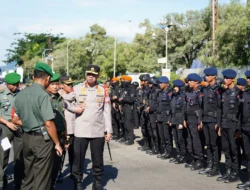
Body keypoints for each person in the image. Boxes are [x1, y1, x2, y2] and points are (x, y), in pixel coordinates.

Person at [12, 62, 63, 190]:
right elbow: (49, 123)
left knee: (28, 176)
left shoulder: (20, 94)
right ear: (48, 79)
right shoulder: (43, 95)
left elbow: (15, 119)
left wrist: (30, 123)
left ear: (33, 77)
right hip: (42, 140)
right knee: (42, 178)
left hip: (26, 138)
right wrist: (57, 143)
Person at [64, 64, 112, 190]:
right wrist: (75, 109)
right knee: (78, 159)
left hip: (98, 130)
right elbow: (65, 101)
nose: (91, 77)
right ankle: (78, 181)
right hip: (81, 129)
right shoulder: (77, 88)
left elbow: (107, 111)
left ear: (98, 76)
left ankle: (97, 182)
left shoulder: (103, 90)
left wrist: (109, 130)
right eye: (89, 74)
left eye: (94, 75)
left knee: (98, 159)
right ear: (86, 75)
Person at [217, 69, 241, 183]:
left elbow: (240, 112)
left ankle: (235, 173)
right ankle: (228, 171)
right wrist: (220, 126)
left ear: (233, 79)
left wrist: (238, 129)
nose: (225, 80)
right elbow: (221, 111)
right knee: (226, 149)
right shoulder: (224, 93)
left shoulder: (238, 93)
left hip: (233, 126)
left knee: (234, 150)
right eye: (224, 78)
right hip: (225, 125)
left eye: (227, 78)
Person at [0, 73, 24, 190]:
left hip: (18, 129)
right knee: (4, 155)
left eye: (17, 84)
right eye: (12, 85)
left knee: (19, 157)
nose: (15, 87)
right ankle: (2, 183)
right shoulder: (1, 93)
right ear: (7, 83)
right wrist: (7, 123)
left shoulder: (21, 94)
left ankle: (18, 183)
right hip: (6, 129)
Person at [46, 73, 69, 187]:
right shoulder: (45, 97)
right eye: (52, 84)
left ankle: (52, 184)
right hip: (48, 136)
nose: (55, 86)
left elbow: (63, 117)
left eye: (57, 84)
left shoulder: (60, 98)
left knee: (56, 163)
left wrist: (65, 137)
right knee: (47, 166)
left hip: (60, 134)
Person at [199, 68, 221, 177]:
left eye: (208, 75)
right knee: (208, 144)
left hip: (213, 121)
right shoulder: (205, 89)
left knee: (214, 145)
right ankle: (209, 165)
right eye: (206, 75)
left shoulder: (218, 90)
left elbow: (220, 107)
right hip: (206, 120)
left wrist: (218, 122)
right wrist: (201, 120)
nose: (206, 77)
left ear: (214, 76)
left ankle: (216, 167)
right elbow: (203, 106)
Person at [184, 73, 204, 171]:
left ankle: (199, 160)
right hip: (189, 119)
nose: (189, 83)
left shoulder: (199, 92)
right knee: (190, 140)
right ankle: (194, 158)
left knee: (196, 140)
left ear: (196, 81)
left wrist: (200, 121)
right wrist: (184, 119)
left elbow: (201, 108)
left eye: (191, 81)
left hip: (195, 119)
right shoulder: (190, 92)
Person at [60, 76, 76, 178]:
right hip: (63, 129)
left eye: (71, 84)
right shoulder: (57, 96)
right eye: (68, 84)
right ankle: (58, 172)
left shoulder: (74, 95)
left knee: (73, 153)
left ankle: (73, 171)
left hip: (74, 129)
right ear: (62, 85)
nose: (70, 86)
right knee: (61, 153)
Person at [237, 70, 250, 189]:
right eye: (247, 78)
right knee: (248, 154)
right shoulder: (245, 94)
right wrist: (239, 128)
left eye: (249, 78)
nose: (247, 80)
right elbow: (241, 113)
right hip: (245, 128)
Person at [169, 79, 187, 164]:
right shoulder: (174, 96)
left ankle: (183, 156)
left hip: (179, 119)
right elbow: (171, 109)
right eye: (174, 86)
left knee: (180, 139)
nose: (175, 88)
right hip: (174, 119)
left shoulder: (183, 97)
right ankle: (178, 154)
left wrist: (181, 122)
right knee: (176, 139)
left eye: (176, 87)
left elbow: (183, 110)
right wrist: (170, 120)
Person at [156, 76, 173, 159]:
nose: (159, 84)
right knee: (161, 135)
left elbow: (171, 106)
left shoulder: (170, 93)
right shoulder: (160, 92)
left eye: (161, 83)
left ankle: (169, 152)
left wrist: (170, 118)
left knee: (167, 136)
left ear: (166, 84)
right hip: (159, 116)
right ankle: (165, 151)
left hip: (166, 116)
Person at [145, 77, 161, 155]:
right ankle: (153, 146)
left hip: (155, 113)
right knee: (151, 130)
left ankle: (157, 148)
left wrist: (151, 108)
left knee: (155, 132)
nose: (149, 85)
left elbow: (158, 104)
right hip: (150, 113)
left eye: (151, 83)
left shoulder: (158, 92)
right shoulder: (150, 92)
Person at [118, 75, 135, 146]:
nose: (122, 82)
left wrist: (123, 99)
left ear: (128, 81)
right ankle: (126, 137)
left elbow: (132, 99)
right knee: (124, 123)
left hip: (129, 107)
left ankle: (130, 139)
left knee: (128, 123)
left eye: (123, 80)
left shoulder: (132, 88)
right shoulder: (124, 88)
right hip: (124, 107)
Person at [137, 74, 151, 151]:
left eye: (142, 81)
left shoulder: (149, 89)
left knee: (149, 130)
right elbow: (140, 99)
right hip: (142, 111)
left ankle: (151, 145)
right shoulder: (142, 89)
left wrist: (145, 104)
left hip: (148, 112)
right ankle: (146, 145)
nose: (141, 82)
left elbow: (149, 101)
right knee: (144, 129)